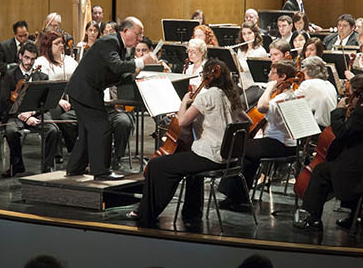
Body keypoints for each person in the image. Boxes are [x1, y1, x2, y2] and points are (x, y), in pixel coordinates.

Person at [127, 59, 247, 227]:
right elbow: (246, 121)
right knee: (187, 165)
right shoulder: (231, 96)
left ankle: (146, 213)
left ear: (208, 76)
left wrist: (184, 102)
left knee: (157, 165)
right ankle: (191, 211)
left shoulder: (208, 96)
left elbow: (182, 121)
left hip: (211, 156)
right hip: (229, 158)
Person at [295, 74, 363, 232]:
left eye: (348, 93)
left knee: (321, 171)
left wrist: (338, 111)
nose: (348, 97)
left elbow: (342, 133)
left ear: (357, 94)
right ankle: (355, 216)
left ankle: (313, 218)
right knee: (343, 165)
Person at [65, 17, 156, 180]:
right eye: (138, 34)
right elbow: (117, 66)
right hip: (84, 91)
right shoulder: (110, 42)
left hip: (86, 91)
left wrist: (134, 74)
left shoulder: (119, 46)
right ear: (126, 31)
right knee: (102, 127)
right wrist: (142, 61)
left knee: (88, 131)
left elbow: (116, 74)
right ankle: (101, 171)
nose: (140, 38)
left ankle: (74, 168)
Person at [218, 60, 299, 210]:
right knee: (248, 152)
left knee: (241, 147)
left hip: (281, 144)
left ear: (282, 77)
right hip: (285, 143)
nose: (268, 75)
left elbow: (262, 107)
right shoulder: (289, 95)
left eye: (272, 73)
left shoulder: (281, 98)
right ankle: (237, 197)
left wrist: (269, 88)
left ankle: (237, 199)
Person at [0, 42, 62, 177]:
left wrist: (33, 113)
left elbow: (46, 103)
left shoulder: (42, 76)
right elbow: (5, 102)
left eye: (32, 59)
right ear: (20, 56)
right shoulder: (10, 75)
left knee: (53, 130)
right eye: (26, 58)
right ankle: (16, 165)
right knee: (11, 131)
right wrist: (23, 115)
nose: (29, 62)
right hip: (16, 115)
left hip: (37, 113)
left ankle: (48, 166)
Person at [34, 30, 79, 158]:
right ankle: (56, 151)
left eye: (62, 43)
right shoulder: (41, 62)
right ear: (48, 45)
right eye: (57, 43)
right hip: (51, 101)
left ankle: (77, 151)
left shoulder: (69, 60)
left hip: (71, 98)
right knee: (56, 110)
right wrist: (58, 100)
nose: (61, 45)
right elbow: (43, 88)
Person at [294, 56, 337, 128]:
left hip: (316, 128)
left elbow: (291, 102)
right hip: (328, 128)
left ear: (306, 71)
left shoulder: (307, 84)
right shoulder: (330, 85)